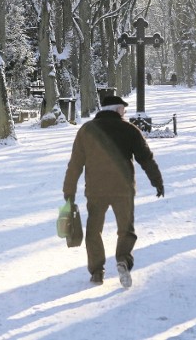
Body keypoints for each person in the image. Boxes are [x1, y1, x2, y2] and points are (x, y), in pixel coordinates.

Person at [63, 95, 165, 288]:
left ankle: (96, 272)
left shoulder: (86, 130)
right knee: (126, 229)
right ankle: (123, 260)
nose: (124, 114)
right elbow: (146, 158)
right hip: (123, 188)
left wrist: (69, 191)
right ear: (118, 110)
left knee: (94, 230)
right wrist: (157, 181)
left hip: (96, 189)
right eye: (123, 110)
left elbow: (75, 164)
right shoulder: (129, 129)